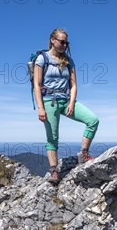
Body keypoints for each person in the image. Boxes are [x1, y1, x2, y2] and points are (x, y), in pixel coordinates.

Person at [33, 28, 99, 184]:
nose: (64, 45)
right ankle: (54, 171)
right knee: (53, 137)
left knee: (93, 120)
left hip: (66, 100)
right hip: (49, 101)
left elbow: (74, 85)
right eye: (61, 41)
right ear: (52, 40)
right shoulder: (42, 59)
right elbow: (36, 84)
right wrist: (40, 107)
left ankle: (83, 154)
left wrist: (71, 102)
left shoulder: (69, 61)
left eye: (66, 42)